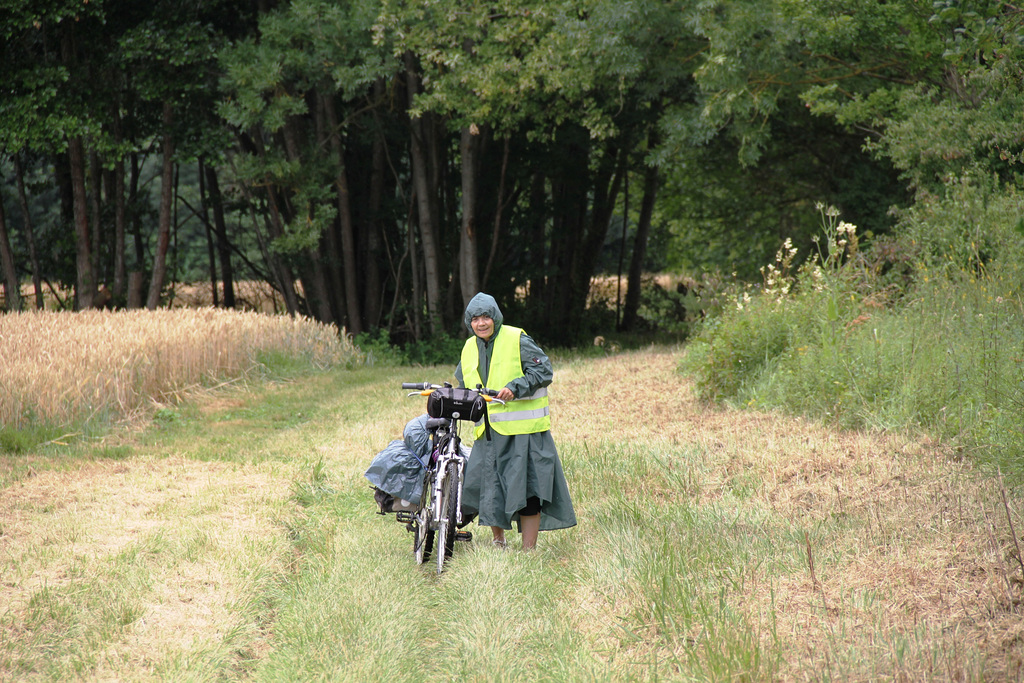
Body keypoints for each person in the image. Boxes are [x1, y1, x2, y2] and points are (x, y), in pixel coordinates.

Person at [455, 292, 576, 550]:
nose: (481, 323)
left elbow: (543, 370)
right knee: (490, 490)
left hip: (523, 433)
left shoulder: (516, 338)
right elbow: (463, 385)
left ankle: (528, 550)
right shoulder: (468, 347)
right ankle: (499, 542)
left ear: (495, 317)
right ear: (469, 322)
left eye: (486, 316)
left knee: (528, 491)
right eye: (475, 319)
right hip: (487, 434)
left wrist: (516, 387)